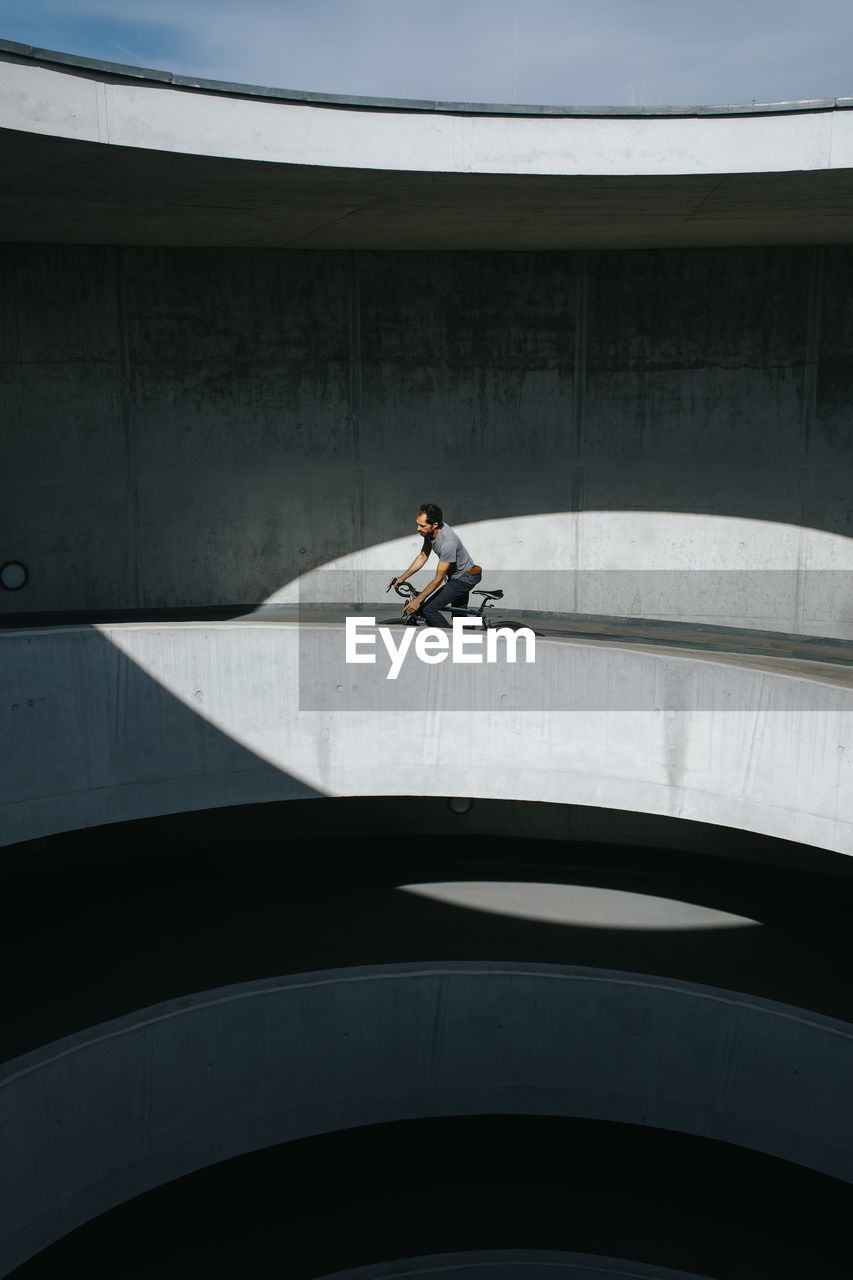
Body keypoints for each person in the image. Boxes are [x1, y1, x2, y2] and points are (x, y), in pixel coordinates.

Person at [387, 504, 482, 628]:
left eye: (422, 525)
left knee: (428, 610)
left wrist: (417, 600)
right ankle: (470, 639)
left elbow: (438, 579)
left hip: (464, 578)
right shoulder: (430, 532)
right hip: (457, 576)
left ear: (435, 524)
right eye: (418, 524)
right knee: (459, 615)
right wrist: (402, 577)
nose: (418, 528)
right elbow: (423, 556)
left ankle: (450, 641)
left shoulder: (448, 543)